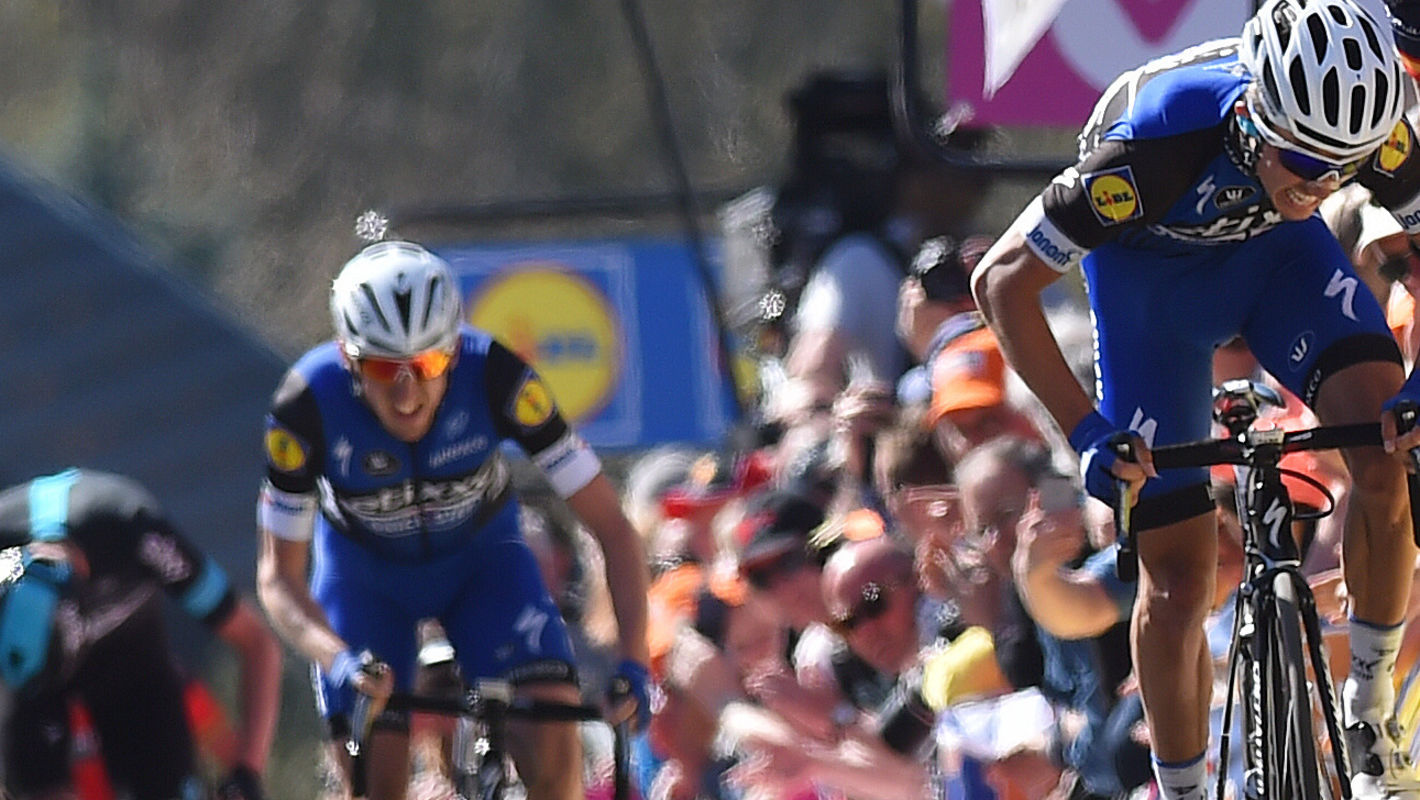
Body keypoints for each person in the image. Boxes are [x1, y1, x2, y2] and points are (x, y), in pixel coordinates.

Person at [970, 1, 1420, 796]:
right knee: (1175, 580)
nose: (1321, 184)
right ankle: (1182, 787)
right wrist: (1086, 430)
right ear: (1252, 117)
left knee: (1386, 456)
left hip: (1281, 265)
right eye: (1302, 162)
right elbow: (1000, 281)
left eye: (1342, 170)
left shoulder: (1365, 130)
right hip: (1152, 293)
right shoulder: (1157, 141)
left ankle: (1370, 703)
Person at [255, 239, 651, 800]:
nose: (407, 392)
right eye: (383, 367)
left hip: (484, 568)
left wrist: (634, 660)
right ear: (348, 358)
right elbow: (278, 578)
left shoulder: (497, 377)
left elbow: (612, 526)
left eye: (428, 364)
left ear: (455, 353)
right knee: (377, 779)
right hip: (366, 584)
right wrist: (336, 658)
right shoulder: (304, 406)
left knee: (557, 749)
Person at [0, 467, 282, 800]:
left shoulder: (133, 530)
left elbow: (256, 642)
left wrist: (246, 773)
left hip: (136, 677)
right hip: (32, 689)